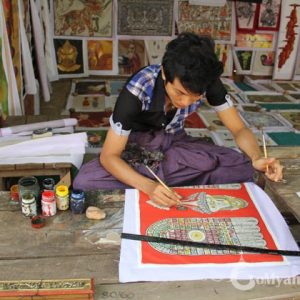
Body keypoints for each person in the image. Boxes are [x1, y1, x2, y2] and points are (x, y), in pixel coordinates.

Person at [73, 32, 283, 207]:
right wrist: (149, 187)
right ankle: (174, 175)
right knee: (86, 180)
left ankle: (172, 173)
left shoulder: (206, 82)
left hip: (174, 141)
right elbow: (109, 156)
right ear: (164, 73)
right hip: (137, 147)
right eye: (180, 92)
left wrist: (256, 157)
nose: (185, 101)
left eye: (195, 96)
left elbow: (238, 129)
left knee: (243, 166)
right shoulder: (138, 88)